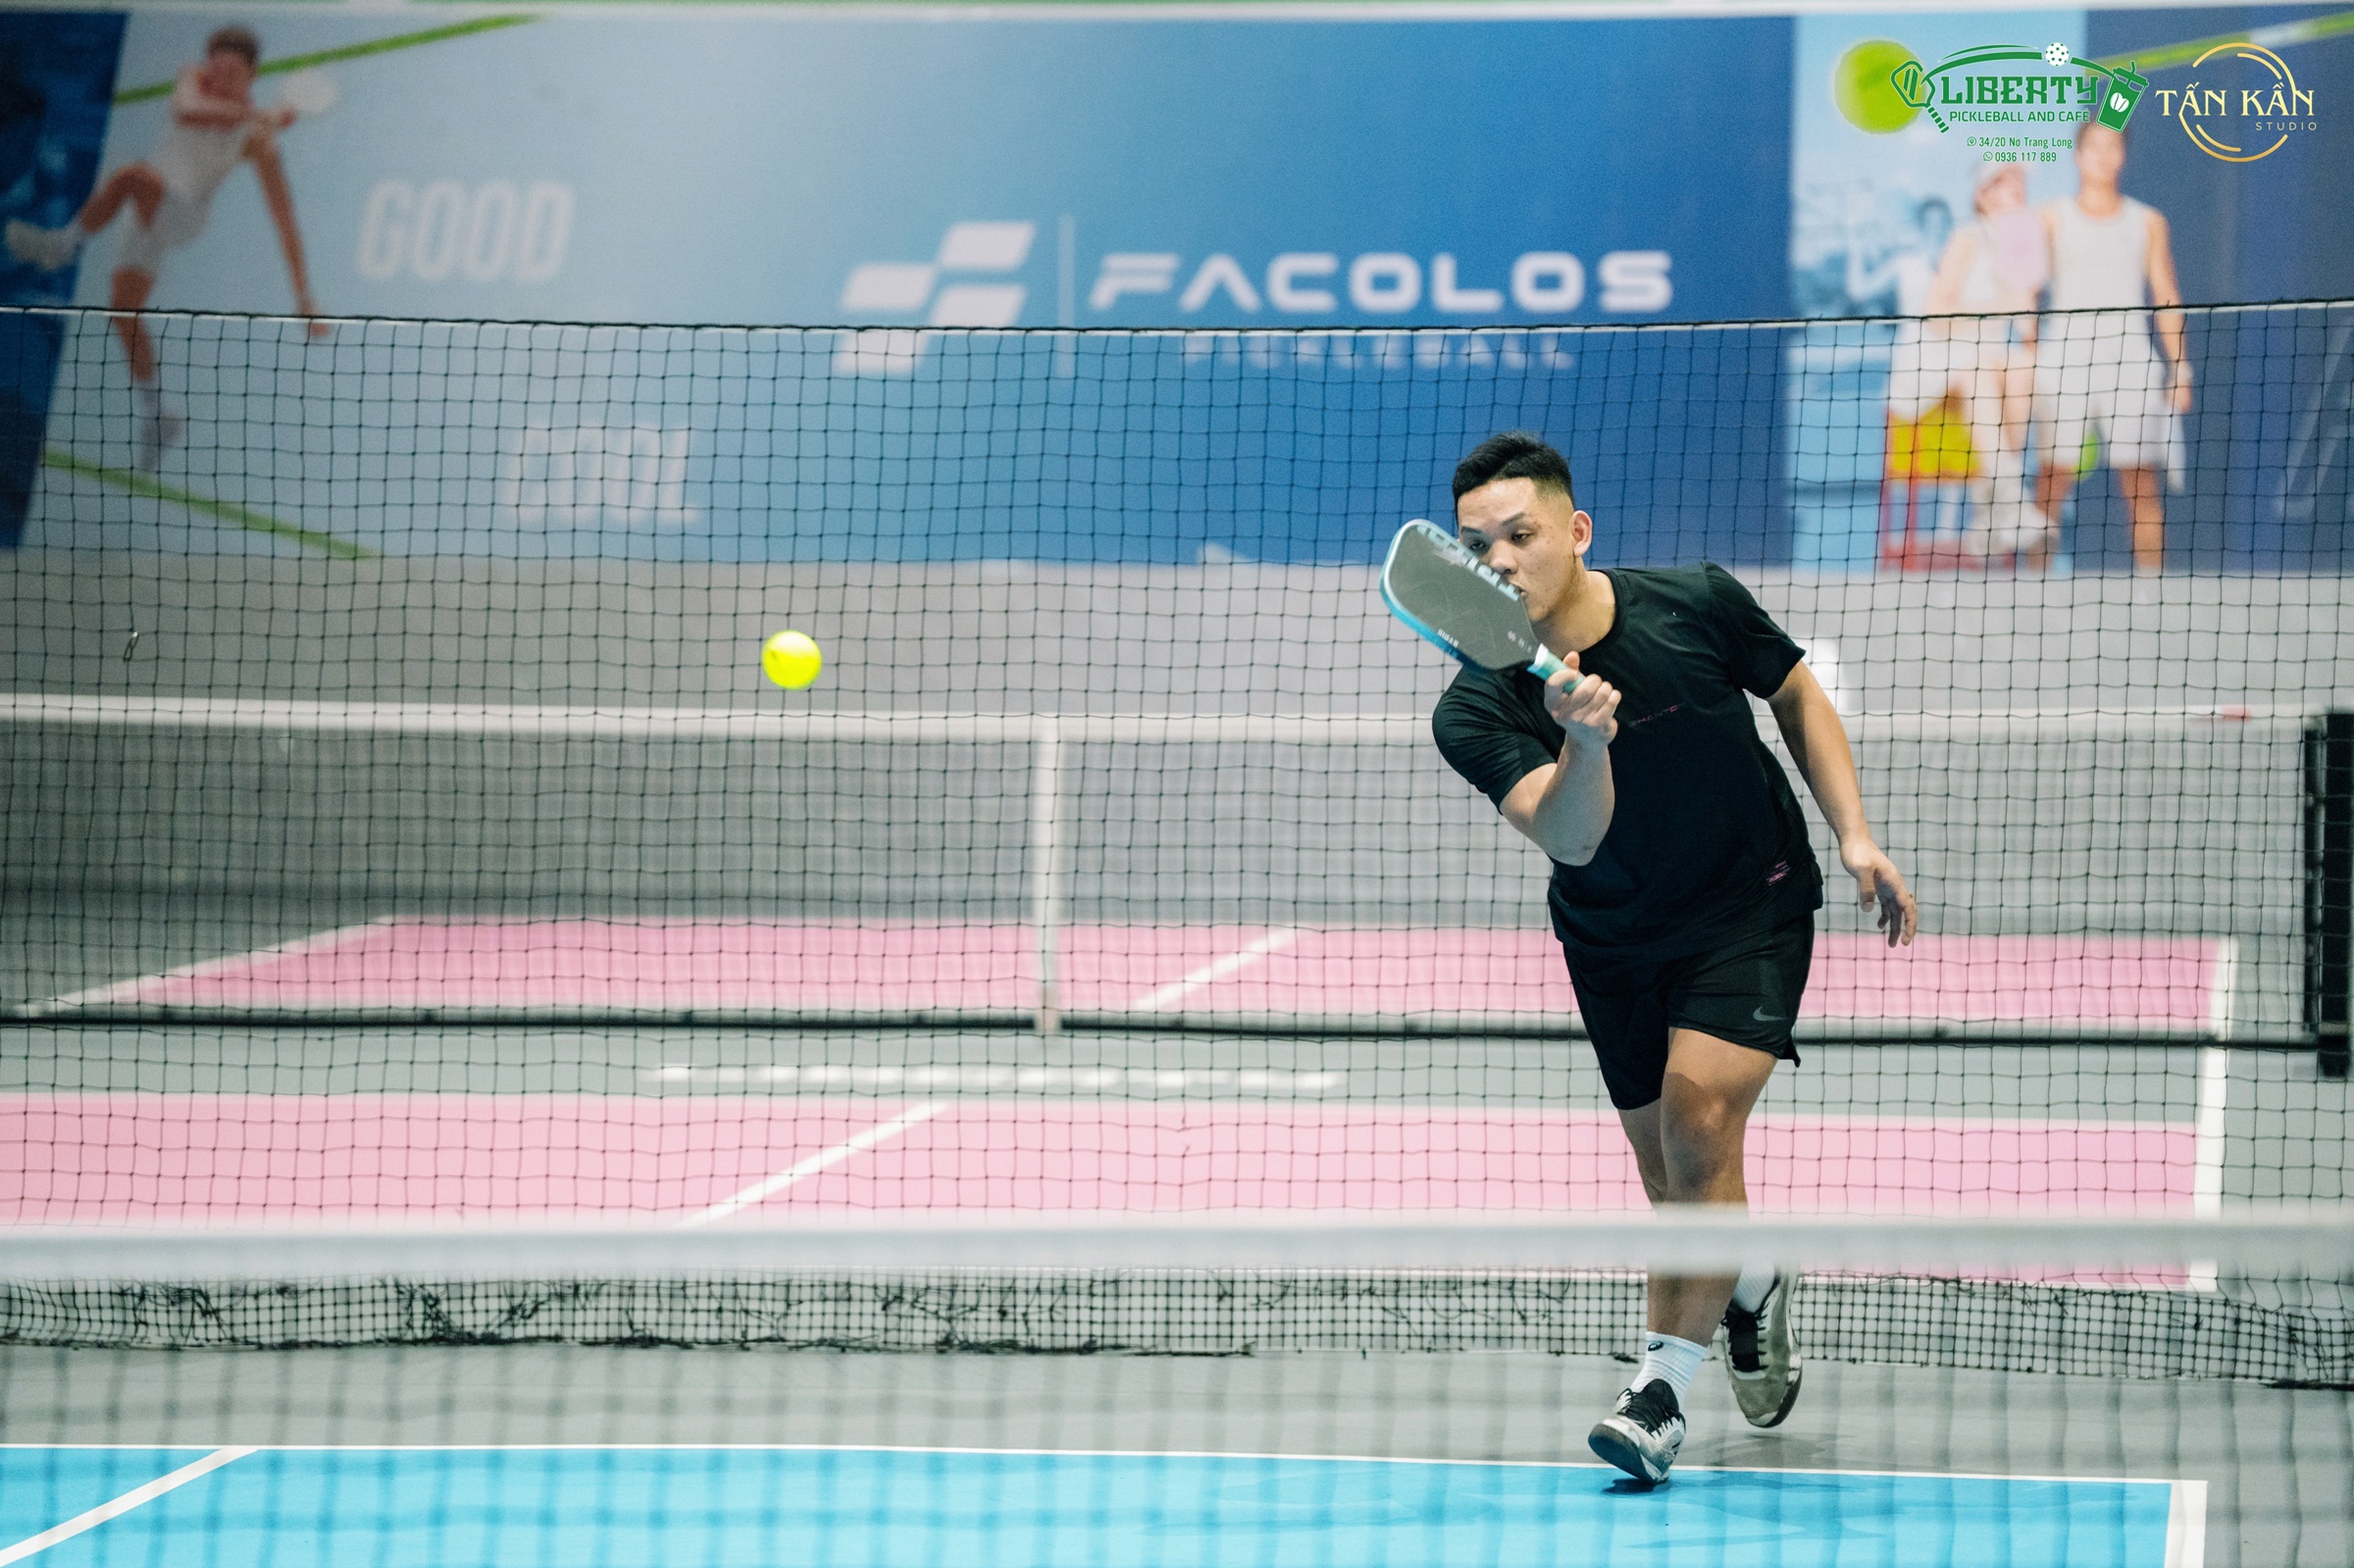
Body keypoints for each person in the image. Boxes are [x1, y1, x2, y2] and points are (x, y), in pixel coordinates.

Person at [1429, 431, 1918, 1486]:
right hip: (1613, 941)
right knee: (1673, 1179)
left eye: (1520, 533)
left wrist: (1855, 835)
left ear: (1576, 530)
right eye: (1477, 546)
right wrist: (1584, 742)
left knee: (1699, 1126)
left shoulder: (1694, 600)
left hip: (1751, 903)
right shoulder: (1474, 705)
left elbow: (1795, 692)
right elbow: (1570, 838)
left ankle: (1656, 1394)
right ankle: (1752, 1281)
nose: (1500, 559)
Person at [4, 26, 326, 468]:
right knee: (123, 312)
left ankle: (60, 247)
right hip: (143, 214)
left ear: (252, 74)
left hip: (181, 213)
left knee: (130, 174)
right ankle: (158, 413)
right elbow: (187, 108)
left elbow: (284, 219)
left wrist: (304, 298)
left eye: (231, 73)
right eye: (215, 68)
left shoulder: (258, 141)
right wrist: (256, 113)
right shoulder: (193, 80)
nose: (217, 78)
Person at [2032, 120, 2191, 573]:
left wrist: (2181, 368)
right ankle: (2031, 592)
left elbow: (2166, 294)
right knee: (2051, 480)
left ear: (2124, 155)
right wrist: (2027, 351)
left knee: (2140, 482)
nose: (2104, 156)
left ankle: (2151, 593)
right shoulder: (2048, 217)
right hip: (2064, 362)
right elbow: (2025, 288)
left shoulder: (2149, 221)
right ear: (2078, 156)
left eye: (2114, 146)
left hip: (2131, 363)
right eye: (2095, 147)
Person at [1886, 164, 2053, 559]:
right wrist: (1999, 308)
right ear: (1983, 194)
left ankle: (1989, 515)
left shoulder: (2022, 243)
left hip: (1987, 361)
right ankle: (2012, 504)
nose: (2016, 188)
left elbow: (2026, 328)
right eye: (2005, 181)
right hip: (1936, 358)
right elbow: (1936, 313)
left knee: (2022, 370)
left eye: (2019, 181)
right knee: (1981, 370)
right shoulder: (1966, 237)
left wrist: (2027, 317)